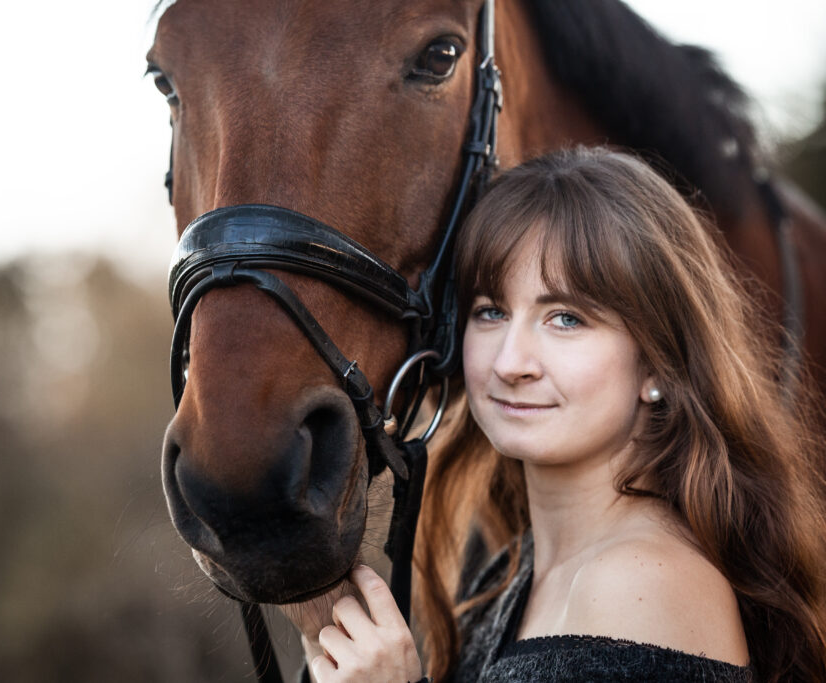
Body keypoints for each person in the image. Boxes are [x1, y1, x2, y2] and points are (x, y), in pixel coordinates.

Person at [300, 147, 826, 682]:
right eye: (491, 312)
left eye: (567, 319)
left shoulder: (642, 581)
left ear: (659, 366)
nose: (510, 363)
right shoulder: (514, 571)